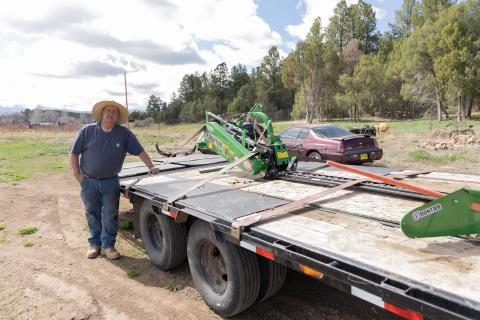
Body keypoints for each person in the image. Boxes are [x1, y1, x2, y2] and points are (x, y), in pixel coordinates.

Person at [69, 100, 159, 259]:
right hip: (88, 181)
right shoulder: (87, 131)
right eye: (108, 111)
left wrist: (150, 166)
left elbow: (139, 151)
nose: (110, 114)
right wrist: (77, 173)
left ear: (117, 117)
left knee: (110, 214)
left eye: (114, 112)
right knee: (92, 213)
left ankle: (108, 246)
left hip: (110, 181)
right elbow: (74, 152)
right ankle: (94, 244)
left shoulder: (124, 134)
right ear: (102, 114)